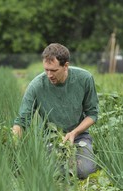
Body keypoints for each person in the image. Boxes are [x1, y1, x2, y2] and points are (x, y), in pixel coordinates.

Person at [12, 43, 99, 179]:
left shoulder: (84, 79)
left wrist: (74, 133)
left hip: (79, 136)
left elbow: (92, 114)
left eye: (53, 70)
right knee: (53, 171)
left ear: (65, 66)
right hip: (50, 137)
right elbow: (22, 120)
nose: (49, 75)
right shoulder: (36, 85)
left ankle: (84, 155)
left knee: (85, 170)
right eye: (46, 69)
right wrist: (13, 145)